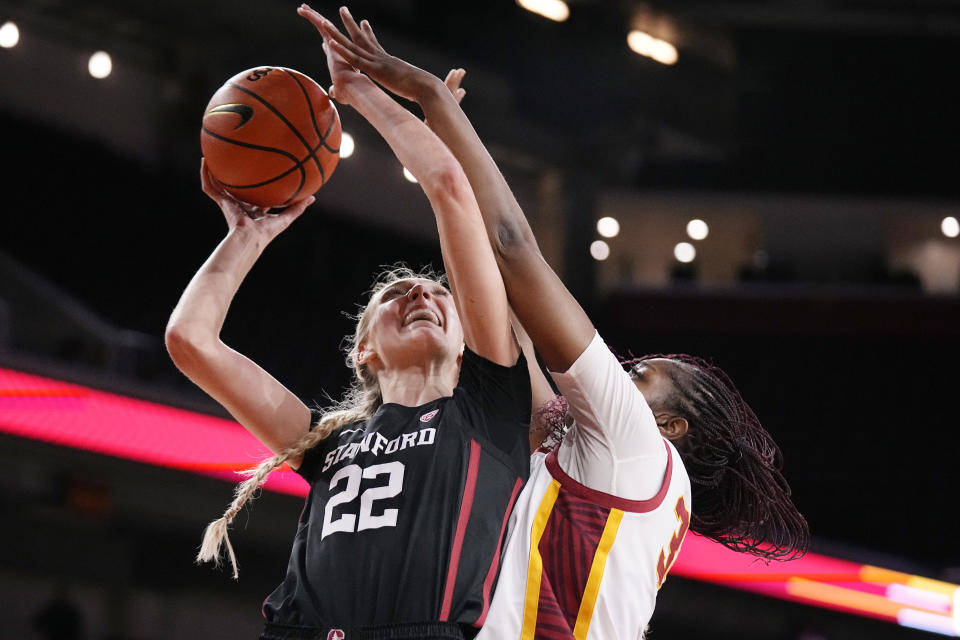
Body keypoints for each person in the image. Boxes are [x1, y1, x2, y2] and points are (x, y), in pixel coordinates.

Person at [312, 7, 810, 639]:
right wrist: (423, 135)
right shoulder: (599, 471)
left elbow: (512, 248)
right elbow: (498, 305)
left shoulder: (632, 443)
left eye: (640, 375)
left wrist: (434, 99)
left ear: (669, 424)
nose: (619, 371)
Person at [164, 15, 533, 639]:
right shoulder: (322, 444)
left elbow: (448, 186)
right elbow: (190, 341)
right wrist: (247, 237)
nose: (420, 291)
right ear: (364, 350)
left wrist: (361, 93)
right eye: (394, 295)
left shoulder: (492, 406)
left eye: (438, 291)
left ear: (470, 337)